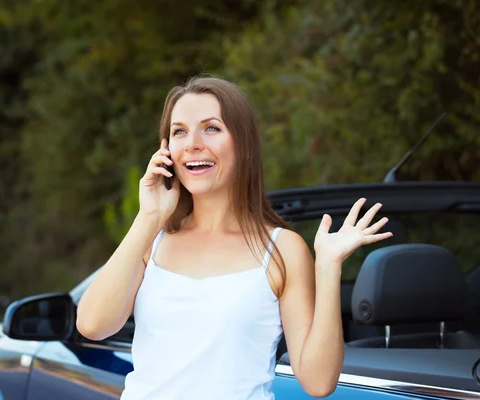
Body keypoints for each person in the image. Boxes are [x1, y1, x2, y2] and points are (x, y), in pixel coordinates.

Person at [76, 75, 392, 399]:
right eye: (179, 131)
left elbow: (318, 382)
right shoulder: (152, 240)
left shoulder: (282, 249)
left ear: (243, 145)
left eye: (211, 128)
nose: (192, 143)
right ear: (166, 150)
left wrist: (327, 266)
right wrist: (149, 216)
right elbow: (91, 324)